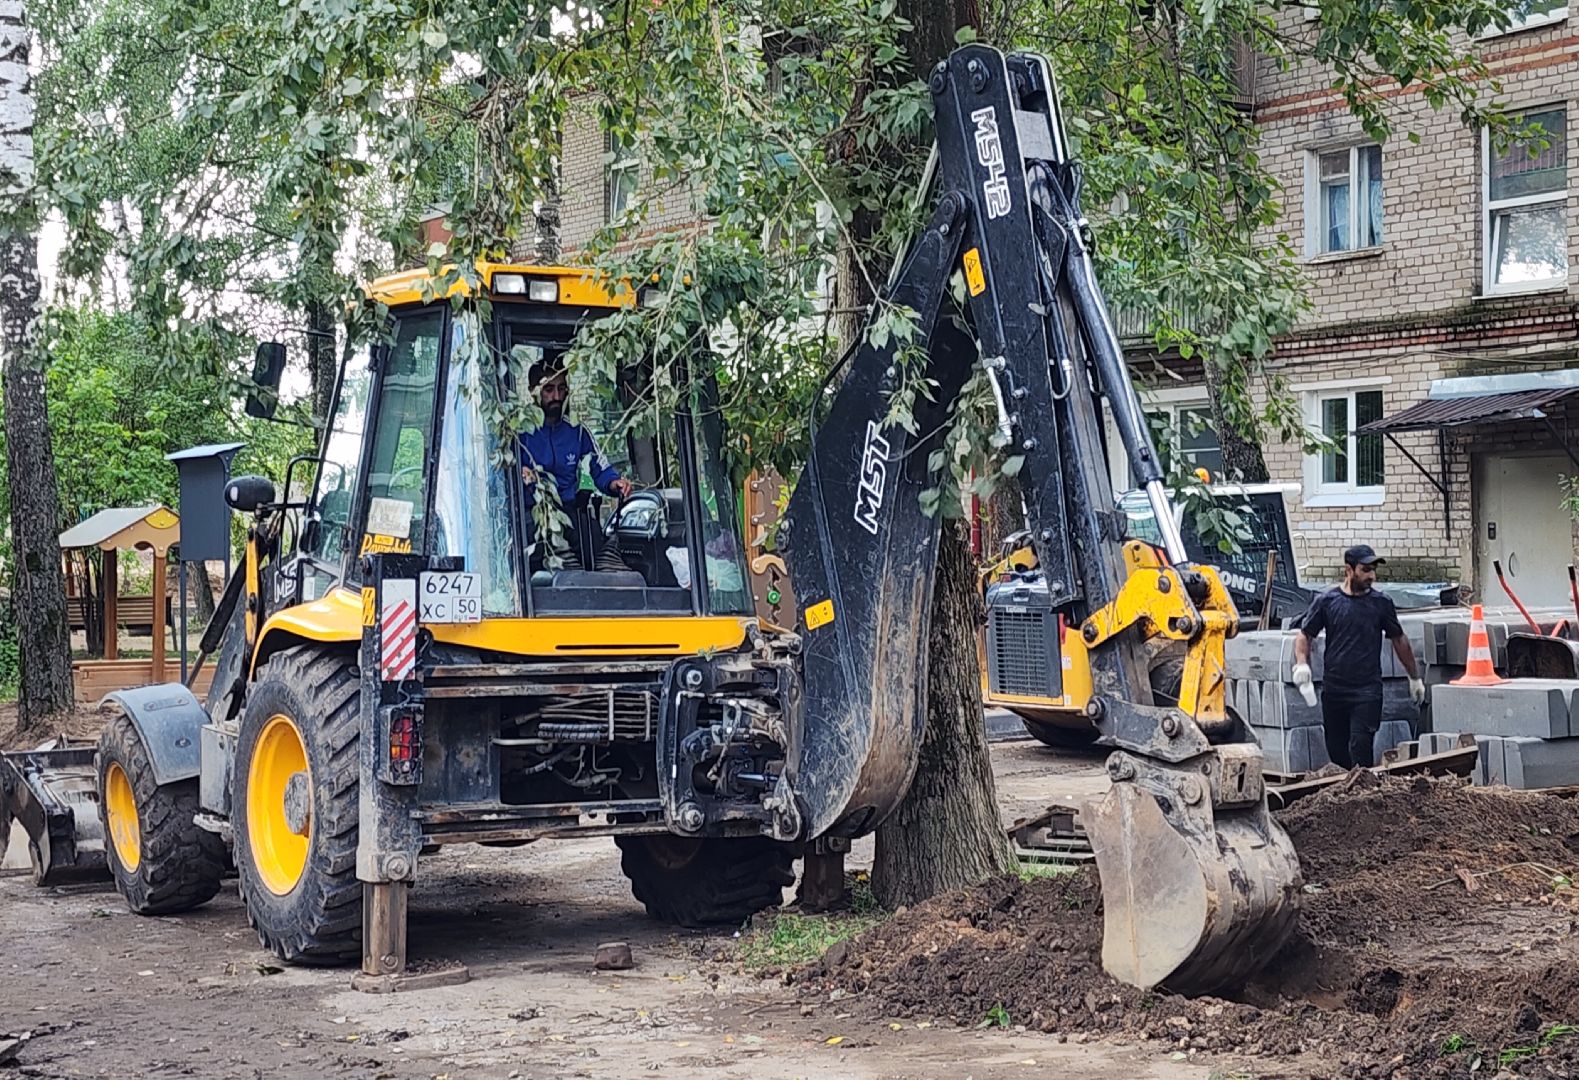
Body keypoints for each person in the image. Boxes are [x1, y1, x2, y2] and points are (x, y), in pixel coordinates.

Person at [1293, 544, 1426, 769]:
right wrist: (1302, 664)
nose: (1371, 576)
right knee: (1337, 751)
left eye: (1373, 570)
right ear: (1349, 570)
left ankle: (1362, 788)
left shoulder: (1381, 603)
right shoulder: (1327, 602)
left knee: (1360, 746)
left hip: (1367, 690)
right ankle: (1343, 790)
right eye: (1365, 570)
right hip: (1334, 690)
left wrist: (1414, 677)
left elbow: (1399, 639)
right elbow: (1305, 635)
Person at [518, 362, 634, 570]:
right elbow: (504, 476)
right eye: (548, 389)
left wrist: (614, 483)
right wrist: (521, 474)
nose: (556, 396)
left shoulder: (577, 431)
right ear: (532, 391)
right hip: (533, 513)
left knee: (594, 540)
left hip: (568, 509)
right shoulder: (519, 433)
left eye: (562, 388)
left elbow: (600, 466)